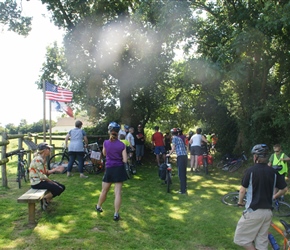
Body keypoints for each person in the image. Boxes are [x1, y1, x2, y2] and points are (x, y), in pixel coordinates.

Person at [234, 144, 287, 250]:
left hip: (254, 211)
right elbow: (284, 189)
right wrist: (274, 196)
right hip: (267, 212)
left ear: (255, 157)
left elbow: (242, 190)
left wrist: (240, 202)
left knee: (241, 238)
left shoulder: (251, 171)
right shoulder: (273, 172)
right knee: (261, 242)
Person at [95, 122, 128, 221]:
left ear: (109, 131)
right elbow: (125, 160)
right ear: (118, 132)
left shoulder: (106, 143)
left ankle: (98, 206)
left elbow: (104, 154)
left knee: (104, 190)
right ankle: (116, 213)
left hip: (109, 168)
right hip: (119, 169)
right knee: (117, 192)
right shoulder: (122, 145)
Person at [29, 142, 65, 210]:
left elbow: (45, 172)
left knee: (62, 187)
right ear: (44, 150)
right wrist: (51, 182)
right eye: (49, 149)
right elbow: (43, 176)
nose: (50, 151)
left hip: (41, 181)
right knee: (58, 188)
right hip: (37, 183)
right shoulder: (38, 159)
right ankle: (45, 199)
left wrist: (55, 169)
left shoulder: (42, 159)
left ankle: (46, 199)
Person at [166, 128, 188, 194]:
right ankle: (185, 187)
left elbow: (173, 149)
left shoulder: (174, 139)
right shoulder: (179, 138)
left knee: (181, 174)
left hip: (180, 157)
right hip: (185, 156)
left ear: (171, 133)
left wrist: (168, 154)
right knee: (184, 173)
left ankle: (182, 191)